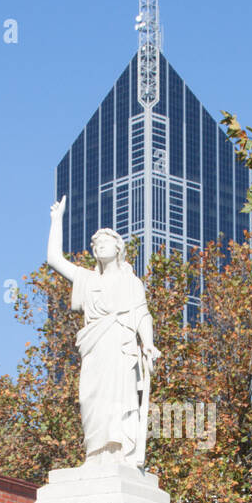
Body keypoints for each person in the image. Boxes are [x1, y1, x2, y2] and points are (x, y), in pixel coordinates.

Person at [46, 196, 160, 468]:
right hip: (95, 349)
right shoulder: (87, 279)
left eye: (104, 242)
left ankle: (117, 454)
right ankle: (95, 455)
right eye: (95, 244)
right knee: (90, 399)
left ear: (118, 247)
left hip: (120, 347)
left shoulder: (131, 281)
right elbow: (54, 259)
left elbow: (142, 314)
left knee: (118, 399)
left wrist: (149, 344)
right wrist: (56, 220)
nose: (98, 246)